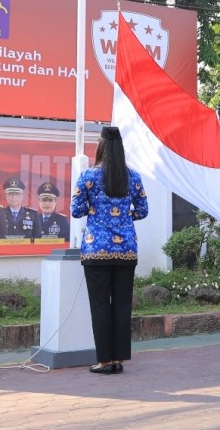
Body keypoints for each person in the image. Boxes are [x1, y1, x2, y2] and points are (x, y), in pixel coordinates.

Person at [71, 127, 147, 374]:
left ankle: (104, 360)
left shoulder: (88, 176)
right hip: (126, 249)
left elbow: (77, 210)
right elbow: (143, 210)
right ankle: (119, 359)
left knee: (100, 305)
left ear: (101, 147)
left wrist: (97, 212)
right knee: (123, 305)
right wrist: (124, 218)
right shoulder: (133, 177)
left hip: (96, 248)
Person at [0, 178, 38, 245]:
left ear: (22, 196)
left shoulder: (33, 215)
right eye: (10, 194)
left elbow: (37, 238)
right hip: (5, 251)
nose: (13, 197)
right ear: (6, 196)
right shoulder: (0, 213)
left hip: (26, 252)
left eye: (17, 194)